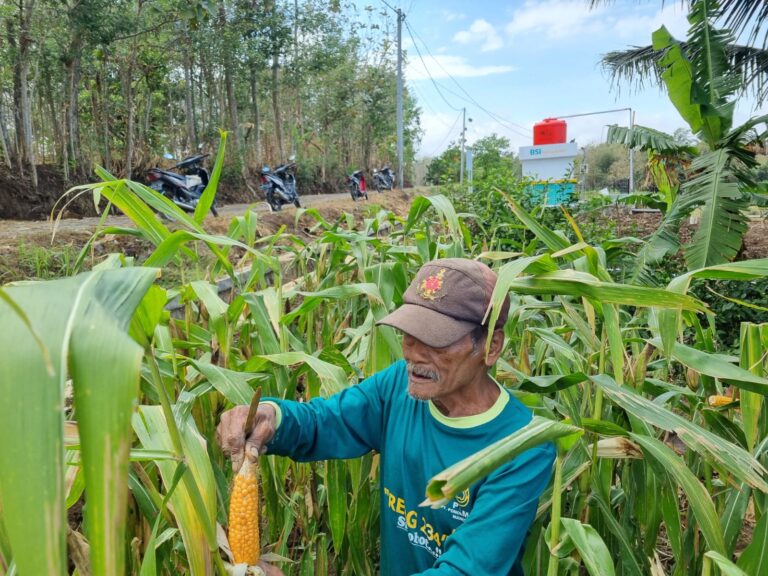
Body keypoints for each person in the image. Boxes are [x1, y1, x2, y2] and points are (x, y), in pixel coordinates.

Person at [217, 258, 556, 575]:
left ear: (491, 346)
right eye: (410, 333)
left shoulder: (523, 447)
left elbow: (466, 569)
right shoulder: (397, 386)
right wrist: (273, 417)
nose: (413, 353)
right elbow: (325, 421)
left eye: (436, 340)